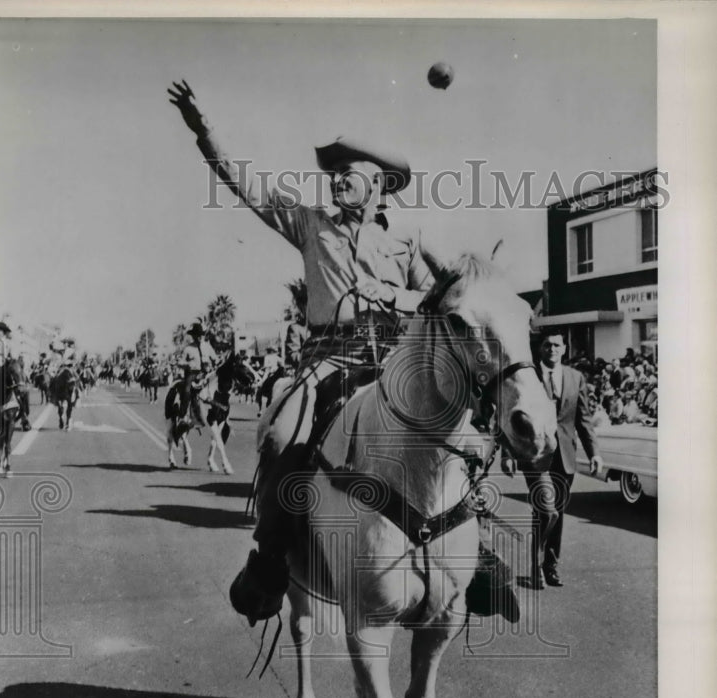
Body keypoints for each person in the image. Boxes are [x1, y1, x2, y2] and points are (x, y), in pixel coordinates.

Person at [168, 80, 493, 624]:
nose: (339, 177)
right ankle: (270, 560)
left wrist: (393, 295)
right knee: (279, 434)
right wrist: (205, 131)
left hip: (396, 359)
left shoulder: (407, 237)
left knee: (463, 439)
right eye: (336, 170)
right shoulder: (310, 223)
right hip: (328, 361)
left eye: (352, 171)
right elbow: (247, 186)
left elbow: (441, 296)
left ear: (379, 185)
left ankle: (478, 559)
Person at [502, 331, 602, 588]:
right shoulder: (528, 375)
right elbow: (510, 414)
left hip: (565, 455)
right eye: (547, 345)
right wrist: (508, 453)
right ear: (540, 350)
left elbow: (583, 419)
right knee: (546, 510)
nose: (552, 349)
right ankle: (536, 566)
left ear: (565, 349)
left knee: (557, 512)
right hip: (535, 454)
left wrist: (594, 453)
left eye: (557, 345)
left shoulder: (575, 377)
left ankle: (550, 566)